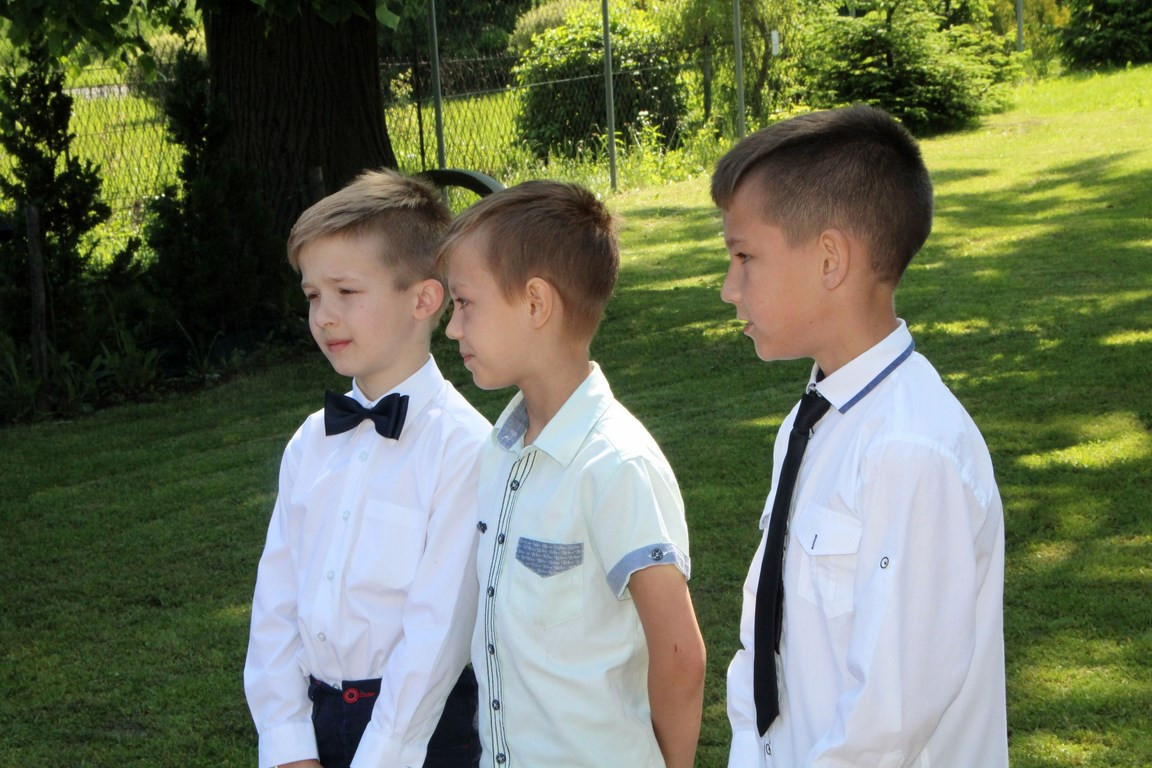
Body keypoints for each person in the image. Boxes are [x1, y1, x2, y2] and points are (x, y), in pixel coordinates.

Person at [715, 104, 1008, 767]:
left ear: (829, 259)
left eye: (744, 256)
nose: (730, 288)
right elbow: (767, 645)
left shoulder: (910, 450)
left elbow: (884, 726)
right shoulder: (814, 420)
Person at [435, 180, 707, 768]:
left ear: (536, 303)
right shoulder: (499, 449)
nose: (452, 328)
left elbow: (680, 657)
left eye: (465, 304)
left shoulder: (616, 465)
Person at [244, 169, 490, 768]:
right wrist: (286, 740)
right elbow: (275, 602)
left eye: (346, 292)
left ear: (423, 299)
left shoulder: (463, 448)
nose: (324, 317)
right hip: (314, 724)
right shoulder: (310, 442)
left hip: (422, 733)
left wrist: (384, 753)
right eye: (312, 296)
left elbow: (438, 632)